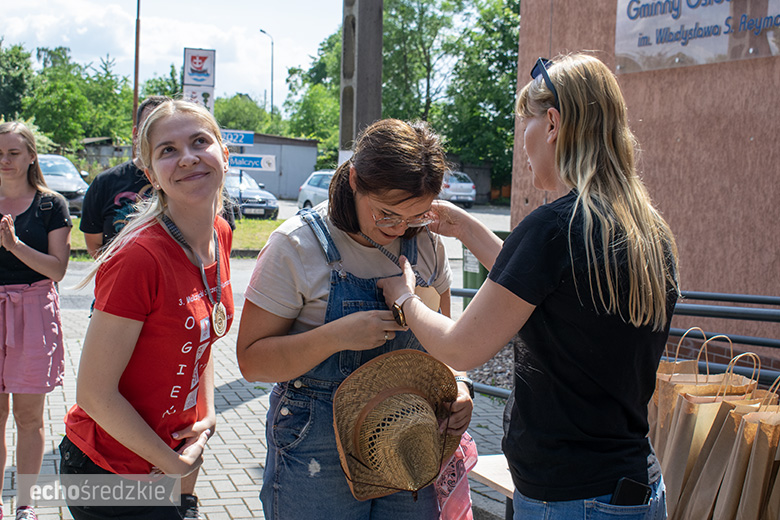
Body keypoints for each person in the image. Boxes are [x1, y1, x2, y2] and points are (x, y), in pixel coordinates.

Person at [378, 53, 680, 520]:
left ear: (553, 124)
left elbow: (460, 348)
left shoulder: (554, 229)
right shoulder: (646, 232)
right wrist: (466, 228)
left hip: (571, 500)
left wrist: (405, 298)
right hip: (636, 488)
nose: (523, 141)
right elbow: (550, 295)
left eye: (527, 122)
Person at [236, 118, 475, 519]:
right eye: (386, 214)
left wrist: (459, 385)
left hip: (408, 439)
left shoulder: (428, 243)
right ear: (353, 179)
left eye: (416, 216)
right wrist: (335, 336)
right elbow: (251, 361)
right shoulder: (295, 245)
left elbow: (445, 344)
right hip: (316, 443)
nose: (399, 228)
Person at [59, 100, 233, 520]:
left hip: (164, 461)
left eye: (199, 141)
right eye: (168, 150)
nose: (187, 157)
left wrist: (207, 415)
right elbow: (94, 394)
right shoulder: (140, 258)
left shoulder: (220, 234)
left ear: (224, 154)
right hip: (107, 472)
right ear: (152, 174)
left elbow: (202, 335)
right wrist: (173, 465)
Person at [0, 121, 71, 520]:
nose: (5, 161)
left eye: (13, 152)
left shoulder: (50, 205)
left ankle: (25, 504)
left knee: (28, 416)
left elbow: (57, 269)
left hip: (33, 311)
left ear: (31, 156)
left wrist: (14, 245)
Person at [79, 95, 168, 258]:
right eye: (149, 127)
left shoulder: (185, 181)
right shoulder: (104, 183)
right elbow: (95, 246)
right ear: (135, 134)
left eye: (166, 128)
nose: (157, 135)